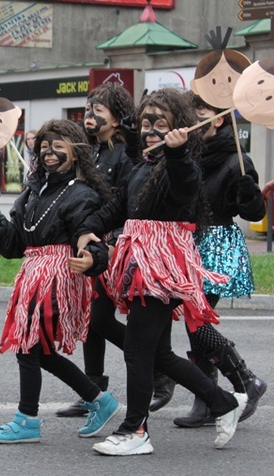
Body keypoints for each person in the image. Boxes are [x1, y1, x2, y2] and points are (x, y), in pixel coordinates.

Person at [75, 88, 246, 456]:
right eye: (147, 122)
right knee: (159, 354)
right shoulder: (142, 167)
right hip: (138, 266)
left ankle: (135, 430)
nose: (151, 129)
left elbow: (185, 189)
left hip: (161, 268)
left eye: (160, 123)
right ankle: (223, 402)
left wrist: (179, 151)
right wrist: (88, 227)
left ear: (180, 127)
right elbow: (118, 208)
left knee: (137, 351)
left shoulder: (184, 165)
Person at [0, 119, 119, 445]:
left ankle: (26, 419)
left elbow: (94, 239)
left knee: (28, 346)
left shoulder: (82, 194)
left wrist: (91, 259)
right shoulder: (32, 192)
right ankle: (99, 399)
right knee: (38, 349)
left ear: (75, 152)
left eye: (59, 146)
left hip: (59, 275)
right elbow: (16, 244)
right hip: (33, 272)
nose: (50, 153)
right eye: (44, 147)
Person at [172, 94, 267, 427]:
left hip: (216, 246)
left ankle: (242, 381)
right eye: (191, 112)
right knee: (194, 322)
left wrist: (249, 193)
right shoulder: (188, 155)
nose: (194, 117)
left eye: (202, 111)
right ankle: (210, 397)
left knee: (196, 321)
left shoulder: (236, 160)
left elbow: (255, 213)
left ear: (218, 118)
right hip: (186, 244)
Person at [57, 82, 141, 417]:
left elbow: (125, 202)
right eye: (88, 109)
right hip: (89, 240)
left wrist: (110, 241)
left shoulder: (123, 154)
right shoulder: (92, 150)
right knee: (91, 320)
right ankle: (94, 389)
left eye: (98, 111)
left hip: (111, 244)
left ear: (117, 119)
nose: (89, 116)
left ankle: (154, 363)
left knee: (100, 319)